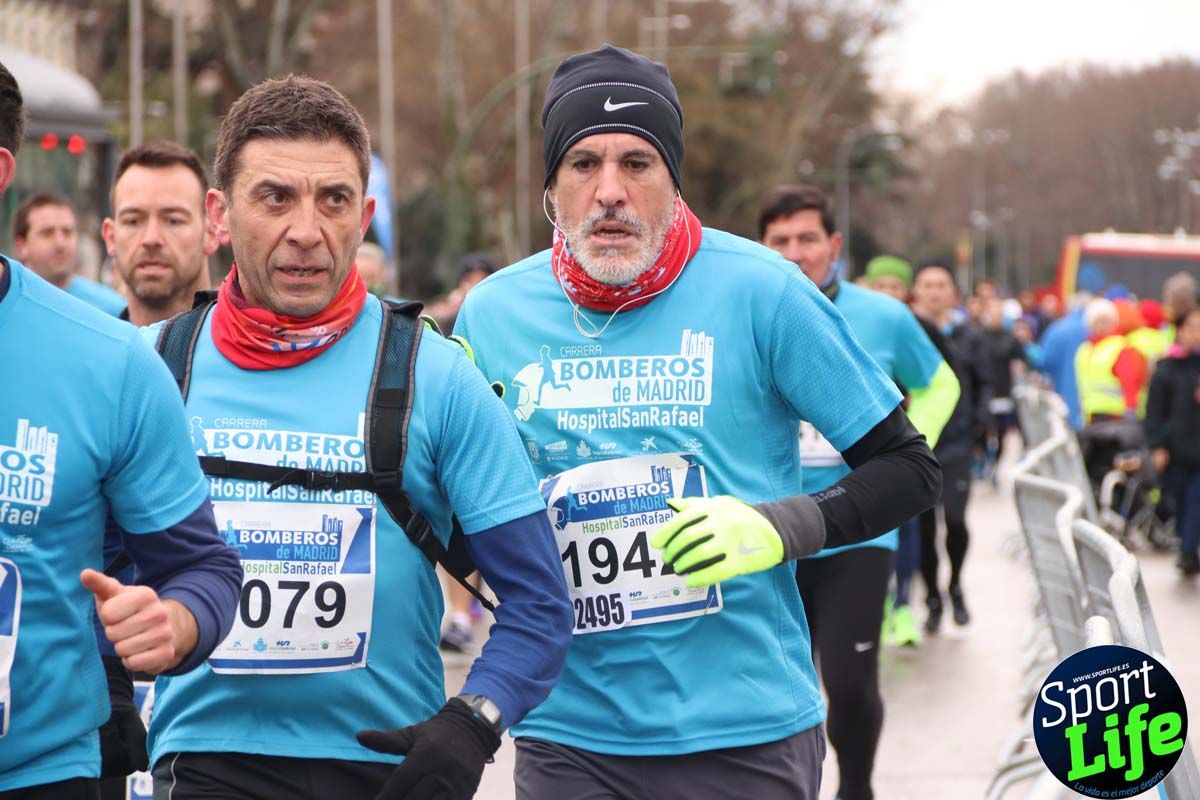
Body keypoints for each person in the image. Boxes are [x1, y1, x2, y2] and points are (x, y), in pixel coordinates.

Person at [455, 45, 941, 800]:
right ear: (550, 183)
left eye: (637, 163)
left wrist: (778, 527)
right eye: (583, 164)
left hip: (745, 732)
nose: (609, 191)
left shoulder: (763, 289)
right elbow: (461, 499)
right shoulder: (494, 312)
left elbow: (909, 470)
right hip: (568, 732)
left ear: (673, 179)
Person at [142, 75, 571, 800]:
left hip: (392, 770)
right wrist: (113, 696)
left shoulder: (436, 377)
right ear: (220, 214)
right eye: (275, 197)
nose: (306, 231)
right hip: (206, 763)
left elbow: (539, 605)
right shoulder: (152, 368)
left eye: (333, 200)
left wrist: (473, 722)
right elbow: (80, 574)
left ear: (364, 214)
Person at [0, 59, 242, 798]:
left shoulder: (108, 361)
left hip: (39, 774)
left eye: (172, 219)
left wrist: (175, 622)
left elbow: (206, 572)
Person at [759, 205, 958, 800]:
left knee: (847, 684)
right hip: (765, 533)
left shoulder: (885, 316)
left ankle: (858, 789)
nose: (795, 252)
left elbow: (941, 382)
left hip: (859, 532)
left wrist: (901, 455)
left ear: (835, 244)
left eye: (808, 239)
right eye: (779, 240)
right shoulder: (749, 309)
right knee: (770, 690)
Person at [864, 254, 958, 648]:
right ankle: (880, 604)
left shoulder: (913, 329)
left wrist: (915, 437)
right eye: (879, 285)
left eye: (894, 286)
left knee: (908, 528)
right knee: (868, 532)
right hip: (857, 447)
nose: (887, 293)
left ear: (906, 292)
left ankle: (904, 605)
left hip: (902, 443)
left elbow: (941, 384)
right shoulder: (851, 322)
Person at [910, 261, 993, 633]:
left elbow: (982, 384)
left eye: (941, 284)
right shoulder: (907, 333)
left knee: (956, 522)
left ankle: (956, 583)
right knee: (924, 529)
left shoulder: (969, 336)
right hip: (916, 445)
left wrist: (982, 424)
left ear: (952, 293)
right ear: (917, 291)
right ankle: (932, 598)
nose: (934, 291)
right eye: (927, 284)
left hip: (958, 444)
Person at [101, 141, 218, 326]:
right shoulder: (94, 352)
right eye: (133, 221)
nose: (151, 239)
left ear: (211, 233)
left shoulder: (250, 350)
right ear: (110, 237)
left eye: (174, 221)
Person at [1145, 307, 1200, 575]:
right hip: (1177, 450)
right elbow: (1154, 411)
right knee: (1180, 501)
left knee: (1196, 500)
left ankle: (1188, 552)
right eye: (1192, 328)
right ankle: (1187, 547)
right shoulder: (1167, 369)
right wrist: (1156, 445)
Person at [12, 193, 126, 316]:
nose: (60, 243)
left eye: (67, 232)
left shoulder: (114, 309)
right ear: (21, 246)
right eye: (47, 233)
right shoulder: (7, 303)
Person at [1076, 298, 1147, 424]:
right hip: (1091, 416)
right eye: (1098, 321)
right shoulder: (1084, 350)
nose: (1102, 325)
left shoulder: (1119, 346)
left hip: (1116, 417)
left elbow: (1130, 379)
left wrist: (1130, 408)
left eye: (1106, 321)